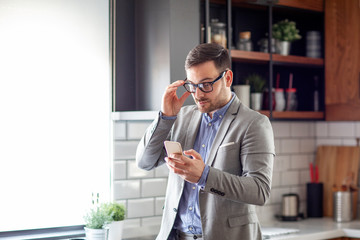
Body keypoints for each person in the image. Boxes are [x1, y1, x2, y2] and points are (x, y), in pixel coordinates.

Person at [136, 43, 275, 240]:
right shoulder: (181, 117)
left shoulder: (254, 123)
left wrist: (204, 176)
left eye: (206, 84)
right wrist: (165, 117)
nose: (198, 94)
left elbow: (259, 190)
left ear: (227, 78)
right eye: (192, 85)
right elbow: (144, 162)